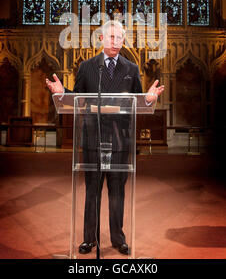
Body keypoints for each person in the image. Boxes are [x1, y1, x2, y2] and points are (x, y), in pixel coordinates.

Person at [46, 20, 164, 255]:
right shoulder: (88, 67)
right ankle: (89, 239)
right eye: (111, 37)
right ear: (101, 39)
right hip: (93, 137)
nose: (116, 42)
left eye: (120, 38)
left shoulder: (131, 69)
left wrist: (149, 99)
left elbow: (138, 103)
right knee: (92, 190)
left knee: (117, 191)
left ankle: (118, 238)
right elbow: (78, 99)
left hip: (121, 140)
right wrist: (63, 93)